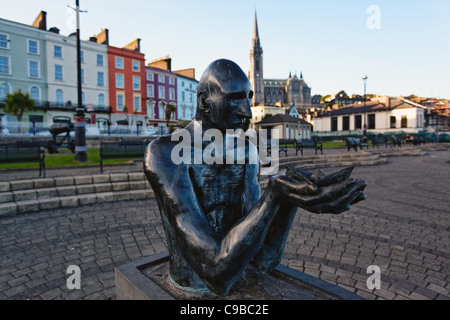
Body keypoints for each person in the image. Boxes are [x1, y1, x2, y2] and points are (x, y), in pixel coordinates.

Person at [144, 59, 367, 296]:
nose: (247, 111)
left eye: (248, 98)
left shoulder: (245, 151)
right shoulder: (165, 154)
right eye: (234, 98)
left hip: (234, 274)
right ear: (204, 102)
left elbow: (264, 259)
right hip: (195, 285)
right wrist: (274, 195)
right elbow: (214, 273)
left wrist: (289, 197)